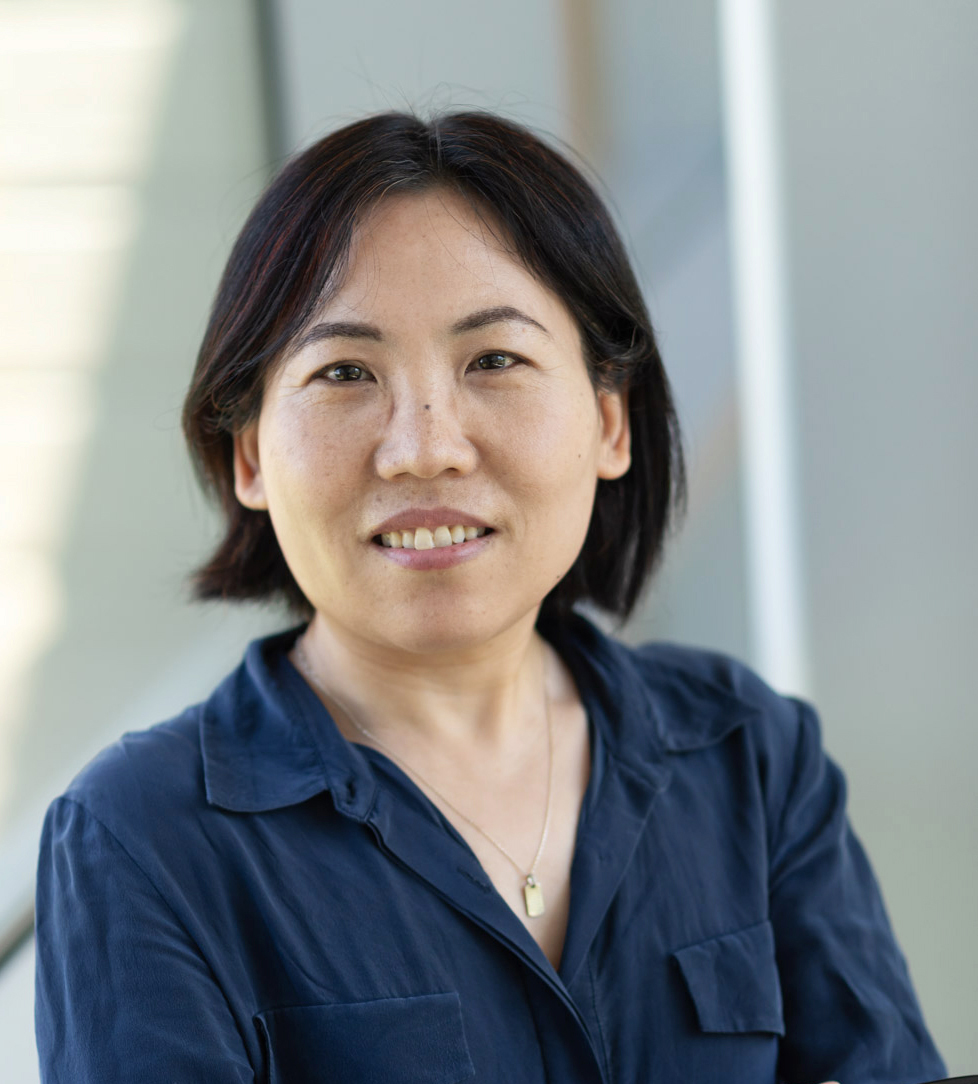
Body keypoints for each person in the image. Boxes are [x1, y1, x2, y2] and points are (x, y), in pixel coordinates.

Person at [34, 111, 946, 1084]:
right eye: (346, 372)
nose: (425, 444)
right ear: (250, 453)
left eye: (494, 361)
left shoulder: (751, 760)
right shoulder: (141, 839)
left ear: (609, 422)